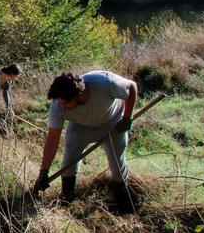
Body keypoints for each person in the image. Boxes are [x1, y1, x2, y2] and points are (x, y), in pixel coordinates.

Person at [33, 71, 137, 211]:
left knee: (117, 164)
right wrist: (44, 171)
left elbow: (131, 87)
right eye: (60, 102)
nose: (62, 105)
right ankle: (67, 199)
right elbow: (52, 139)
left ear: (79, 95)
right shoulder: (58, 106)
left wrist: (127, 118)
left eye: (66, 103)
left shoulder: (105, 83)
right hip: (81, 127)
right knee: (69, 162)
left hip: (113, 124)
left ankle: (122, 200)